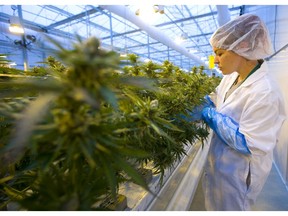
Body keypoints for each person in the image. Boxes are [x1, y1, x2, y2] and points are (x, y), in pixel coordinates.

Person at [195, 14, 286, 210]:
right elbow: (219, 100)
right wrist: (202, 104)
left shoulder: (265, 92)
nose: (215, 61)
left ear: (243, 47)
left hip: (238, 176)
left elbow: (249, 143)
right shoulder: (230, 78)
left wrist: (209, 115)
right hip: (219, 166)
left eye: (220, 53)